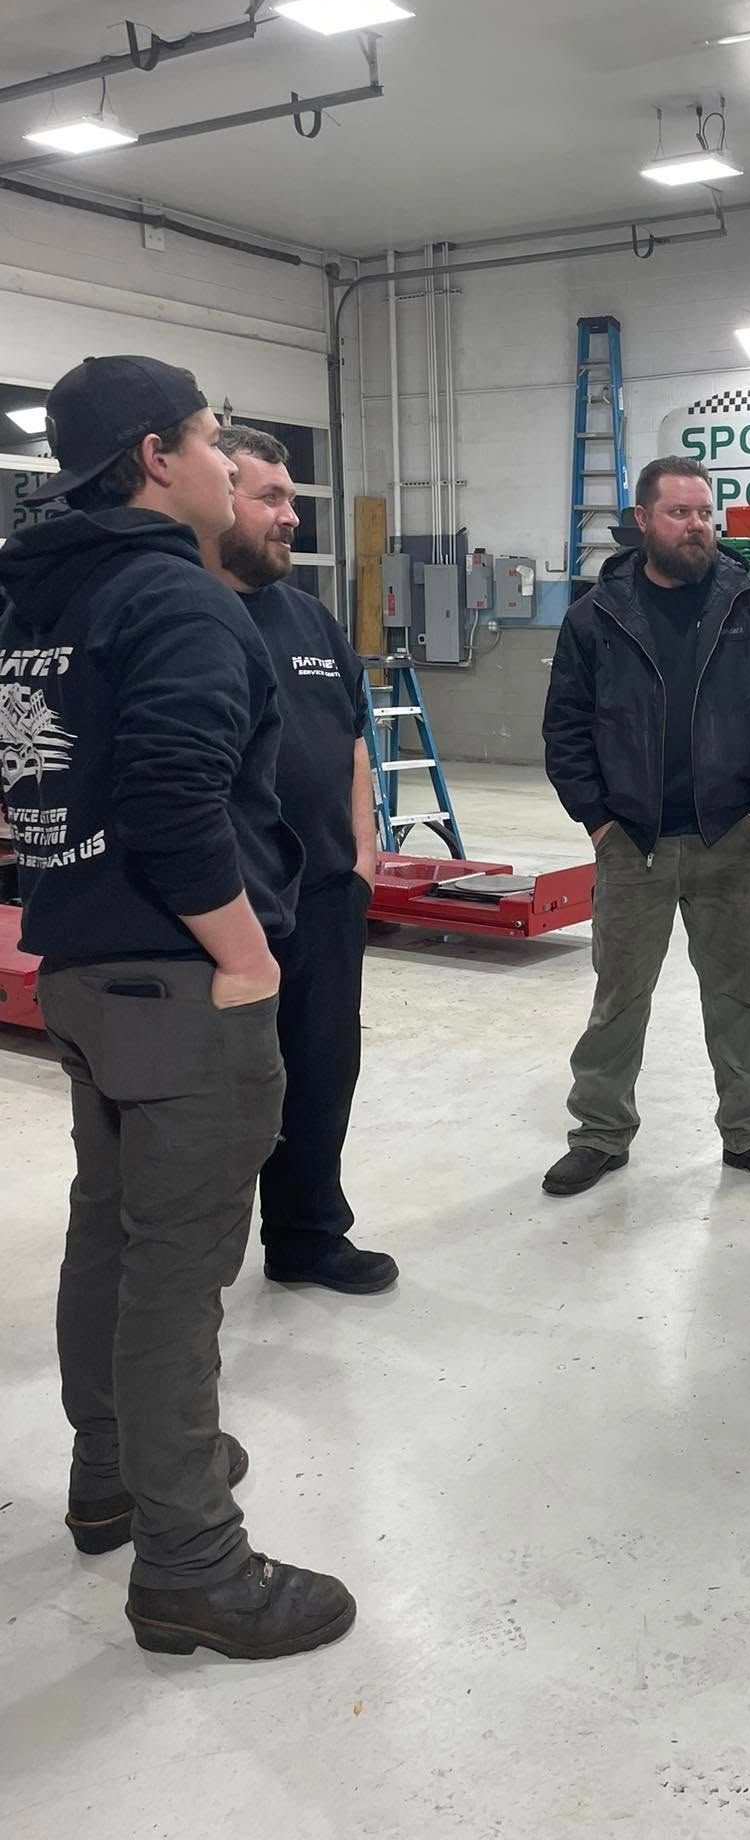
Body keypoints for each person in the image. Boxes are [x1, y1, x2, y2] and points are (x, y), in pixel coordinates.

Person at [0, 356, 355, 1659]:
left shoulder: (42, 597)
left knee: (111, 1230)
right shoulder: (175, 598)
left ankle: (113, 1470)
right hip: (176, 980)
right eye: (211, 439)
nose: (224, 460)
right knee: (177, 1270)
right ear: (157, 456)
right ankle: (192, 1561)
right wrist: (246, 956)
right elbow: (168, 793)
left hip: (82, 968)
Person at [541, 455, 750, 1196]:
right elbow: (566, 729)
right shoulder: (596, 617)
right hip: (632, 843)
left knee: (737, 995)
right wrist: (599, 824)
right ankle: (600, 1133)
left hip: (730, 839)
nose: (697, 526)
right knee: (618, 998)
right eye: (679, 512)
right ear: (643, 521)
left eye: (704, 513)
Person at [199, 426, 396, 1296]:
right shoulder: (184, 612)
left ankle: (308, 1236)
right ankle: (190, 1269)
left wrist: (362, 858)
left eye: (293, 499)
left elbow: (351, 740)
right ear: (217, 497)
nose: (290, 518)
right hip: (222, 905)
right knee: (216, 1094)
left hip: (322, 893)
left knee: (320, 1072)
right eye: (270, 498)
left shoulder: (309, 615)